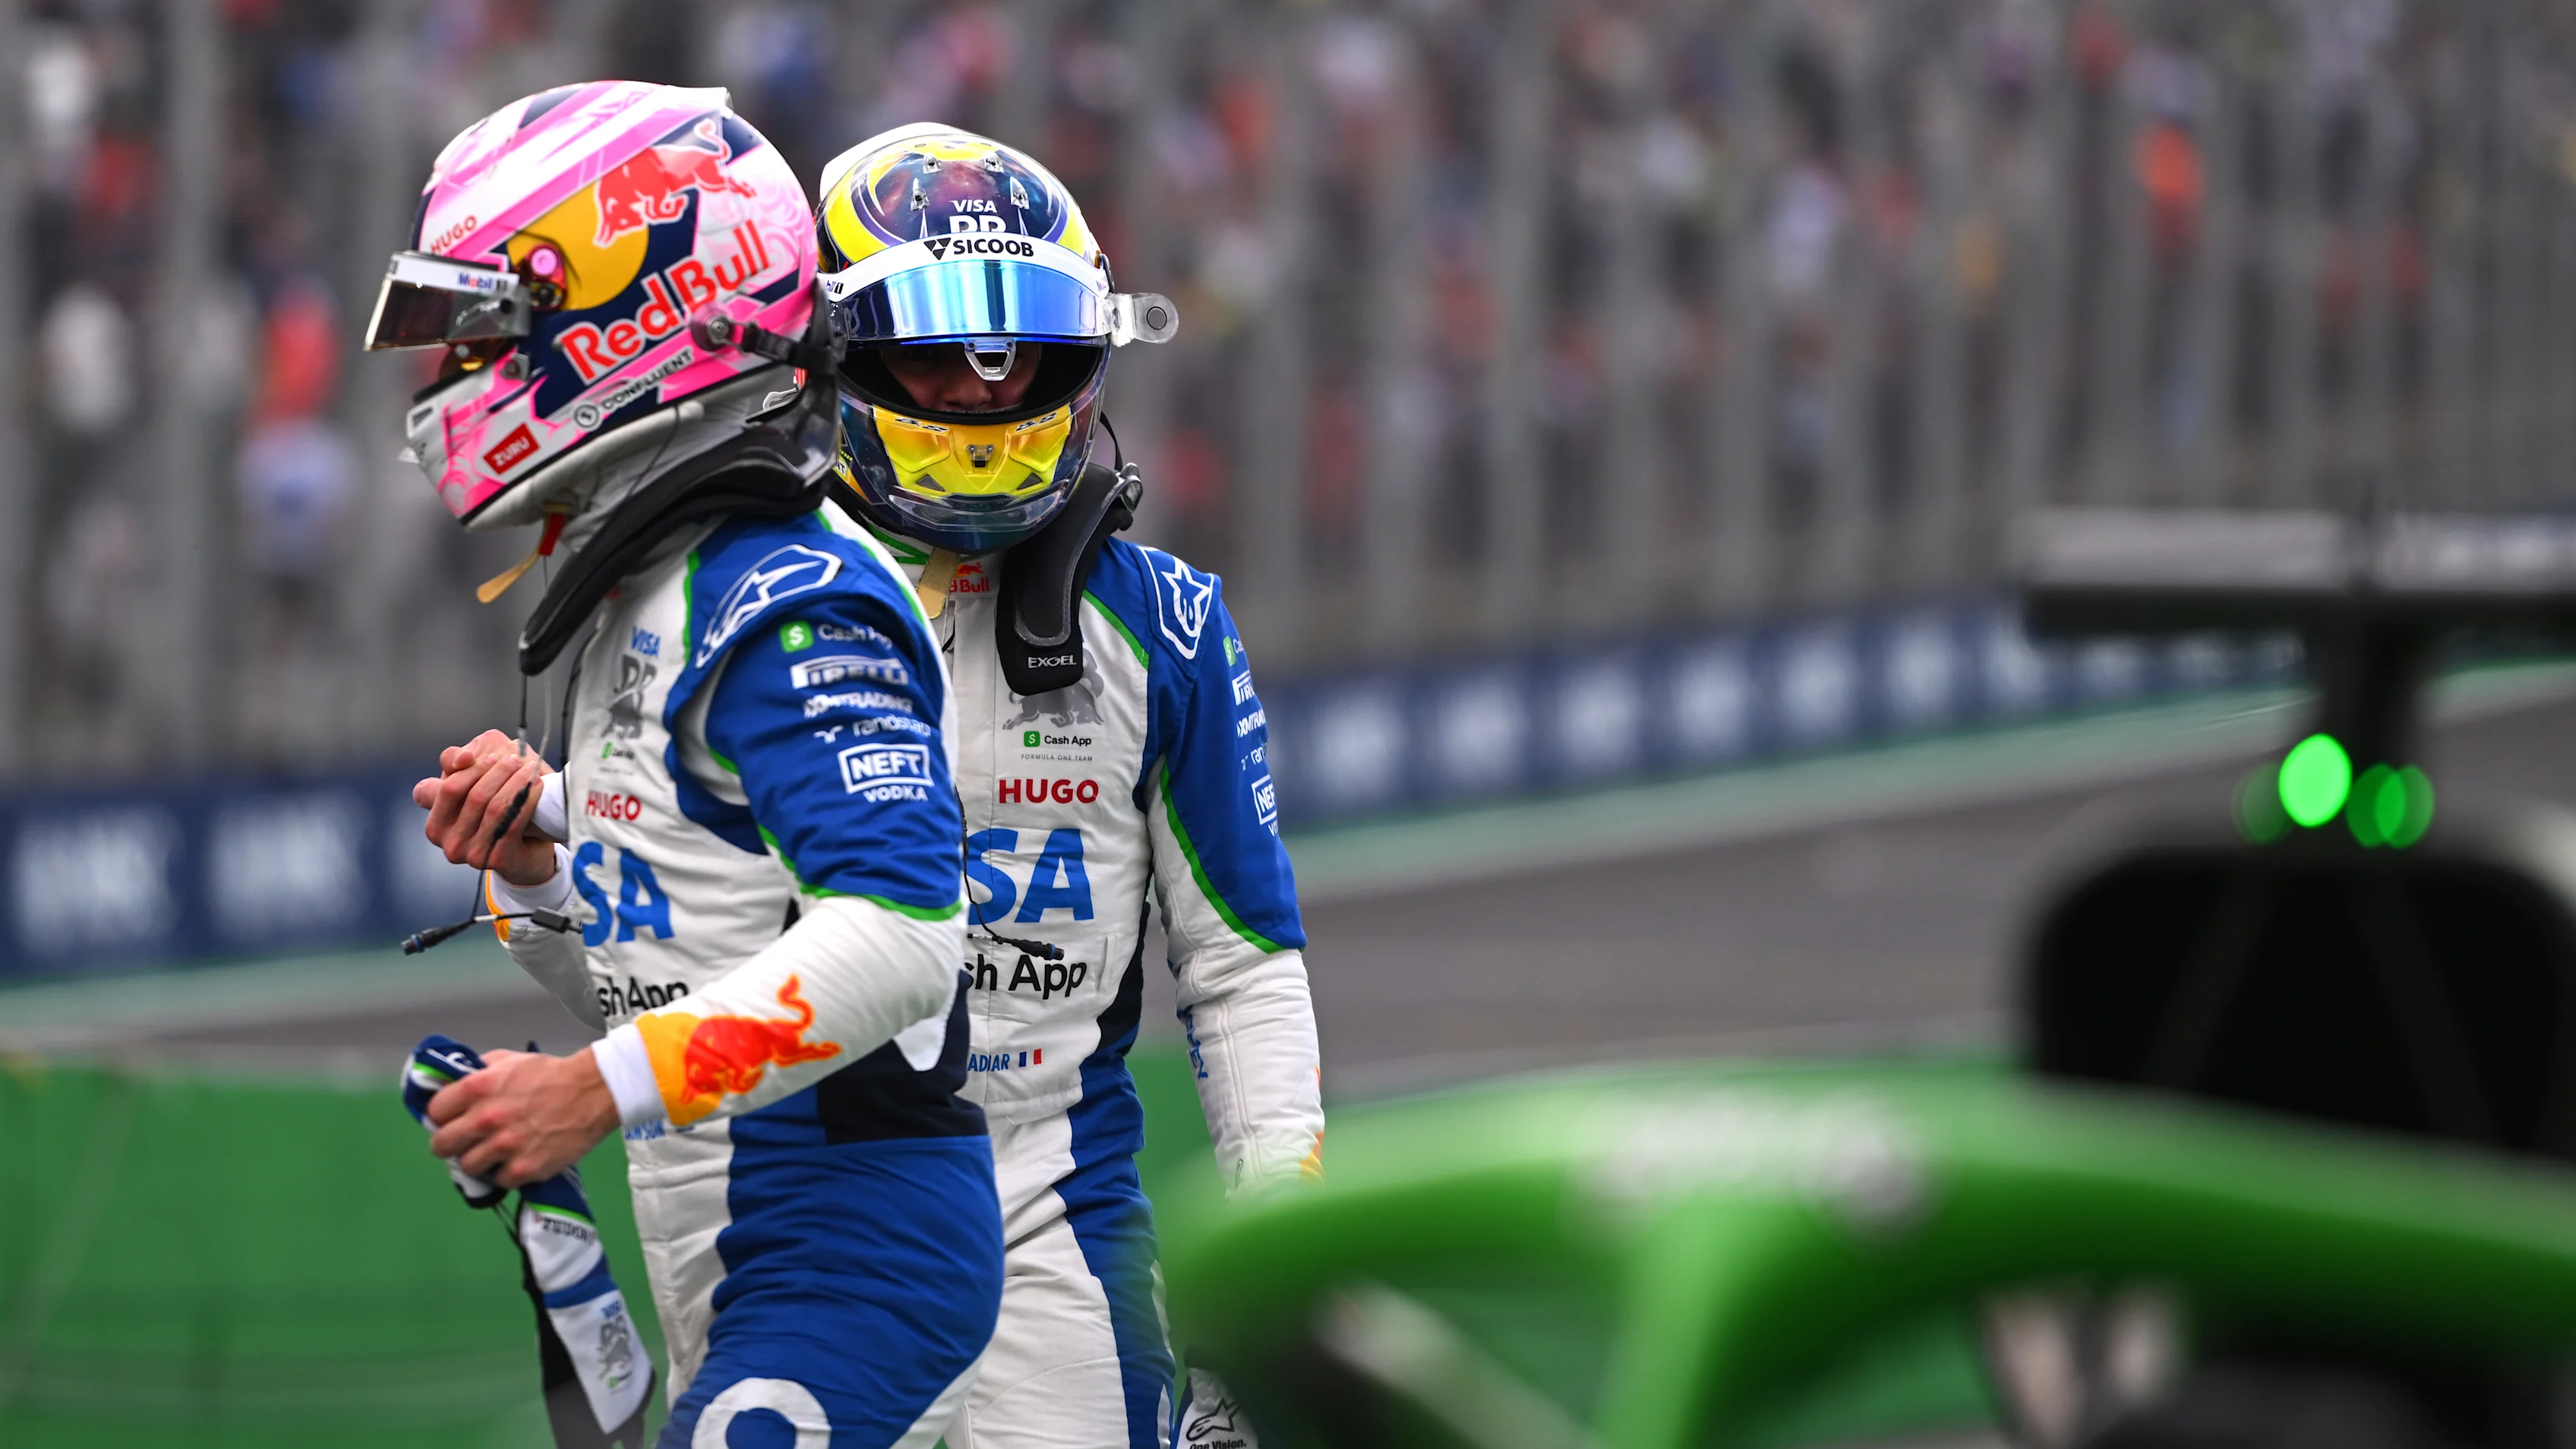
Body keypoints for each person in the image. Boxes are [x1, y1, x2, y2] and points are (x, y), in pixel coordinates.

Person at [374, 82, 1000, 1447]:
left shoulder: (785, 592)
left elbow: (903, 935)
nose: (444, 379)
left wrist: (589, 1092)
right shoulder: (647, 591)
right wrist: (544, 881)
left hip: (850, 1261)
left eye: (486, 326)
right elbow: (669, 972)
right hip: (739, 1254)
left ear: (644, 311)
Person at [813, 123, 1324, 1449]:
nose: (986, 399)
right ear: (839, 353)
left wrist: (1277, 1290)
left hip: (1053, 1192)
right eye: (939, 356)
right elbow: (655, 948)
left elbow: (1246, 968)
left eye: (1020, 356)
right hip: (806, 1201)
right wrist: (534, 885)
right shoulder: (741, 607)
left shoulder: (1170, 623)